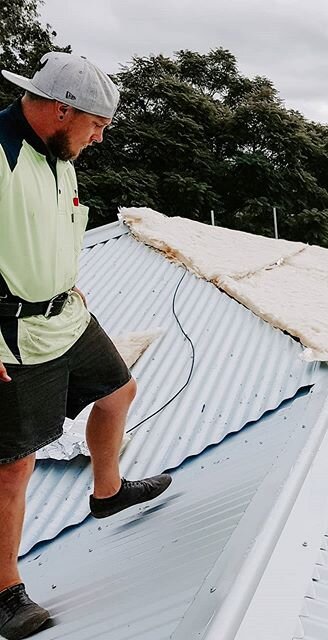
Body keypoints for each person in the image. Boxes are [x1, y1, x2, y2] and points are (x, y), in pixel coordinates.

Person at [0, 52, 172, 640]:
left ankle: (108, 491)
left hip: (66, 314)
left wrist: (66, 275)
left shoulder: (59, 155)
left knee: (119, 389)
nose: (99, 137)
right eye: (96, 124)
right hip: (12, 334)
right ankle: (4, 593)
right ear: (62, 108)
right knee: (12, 467)